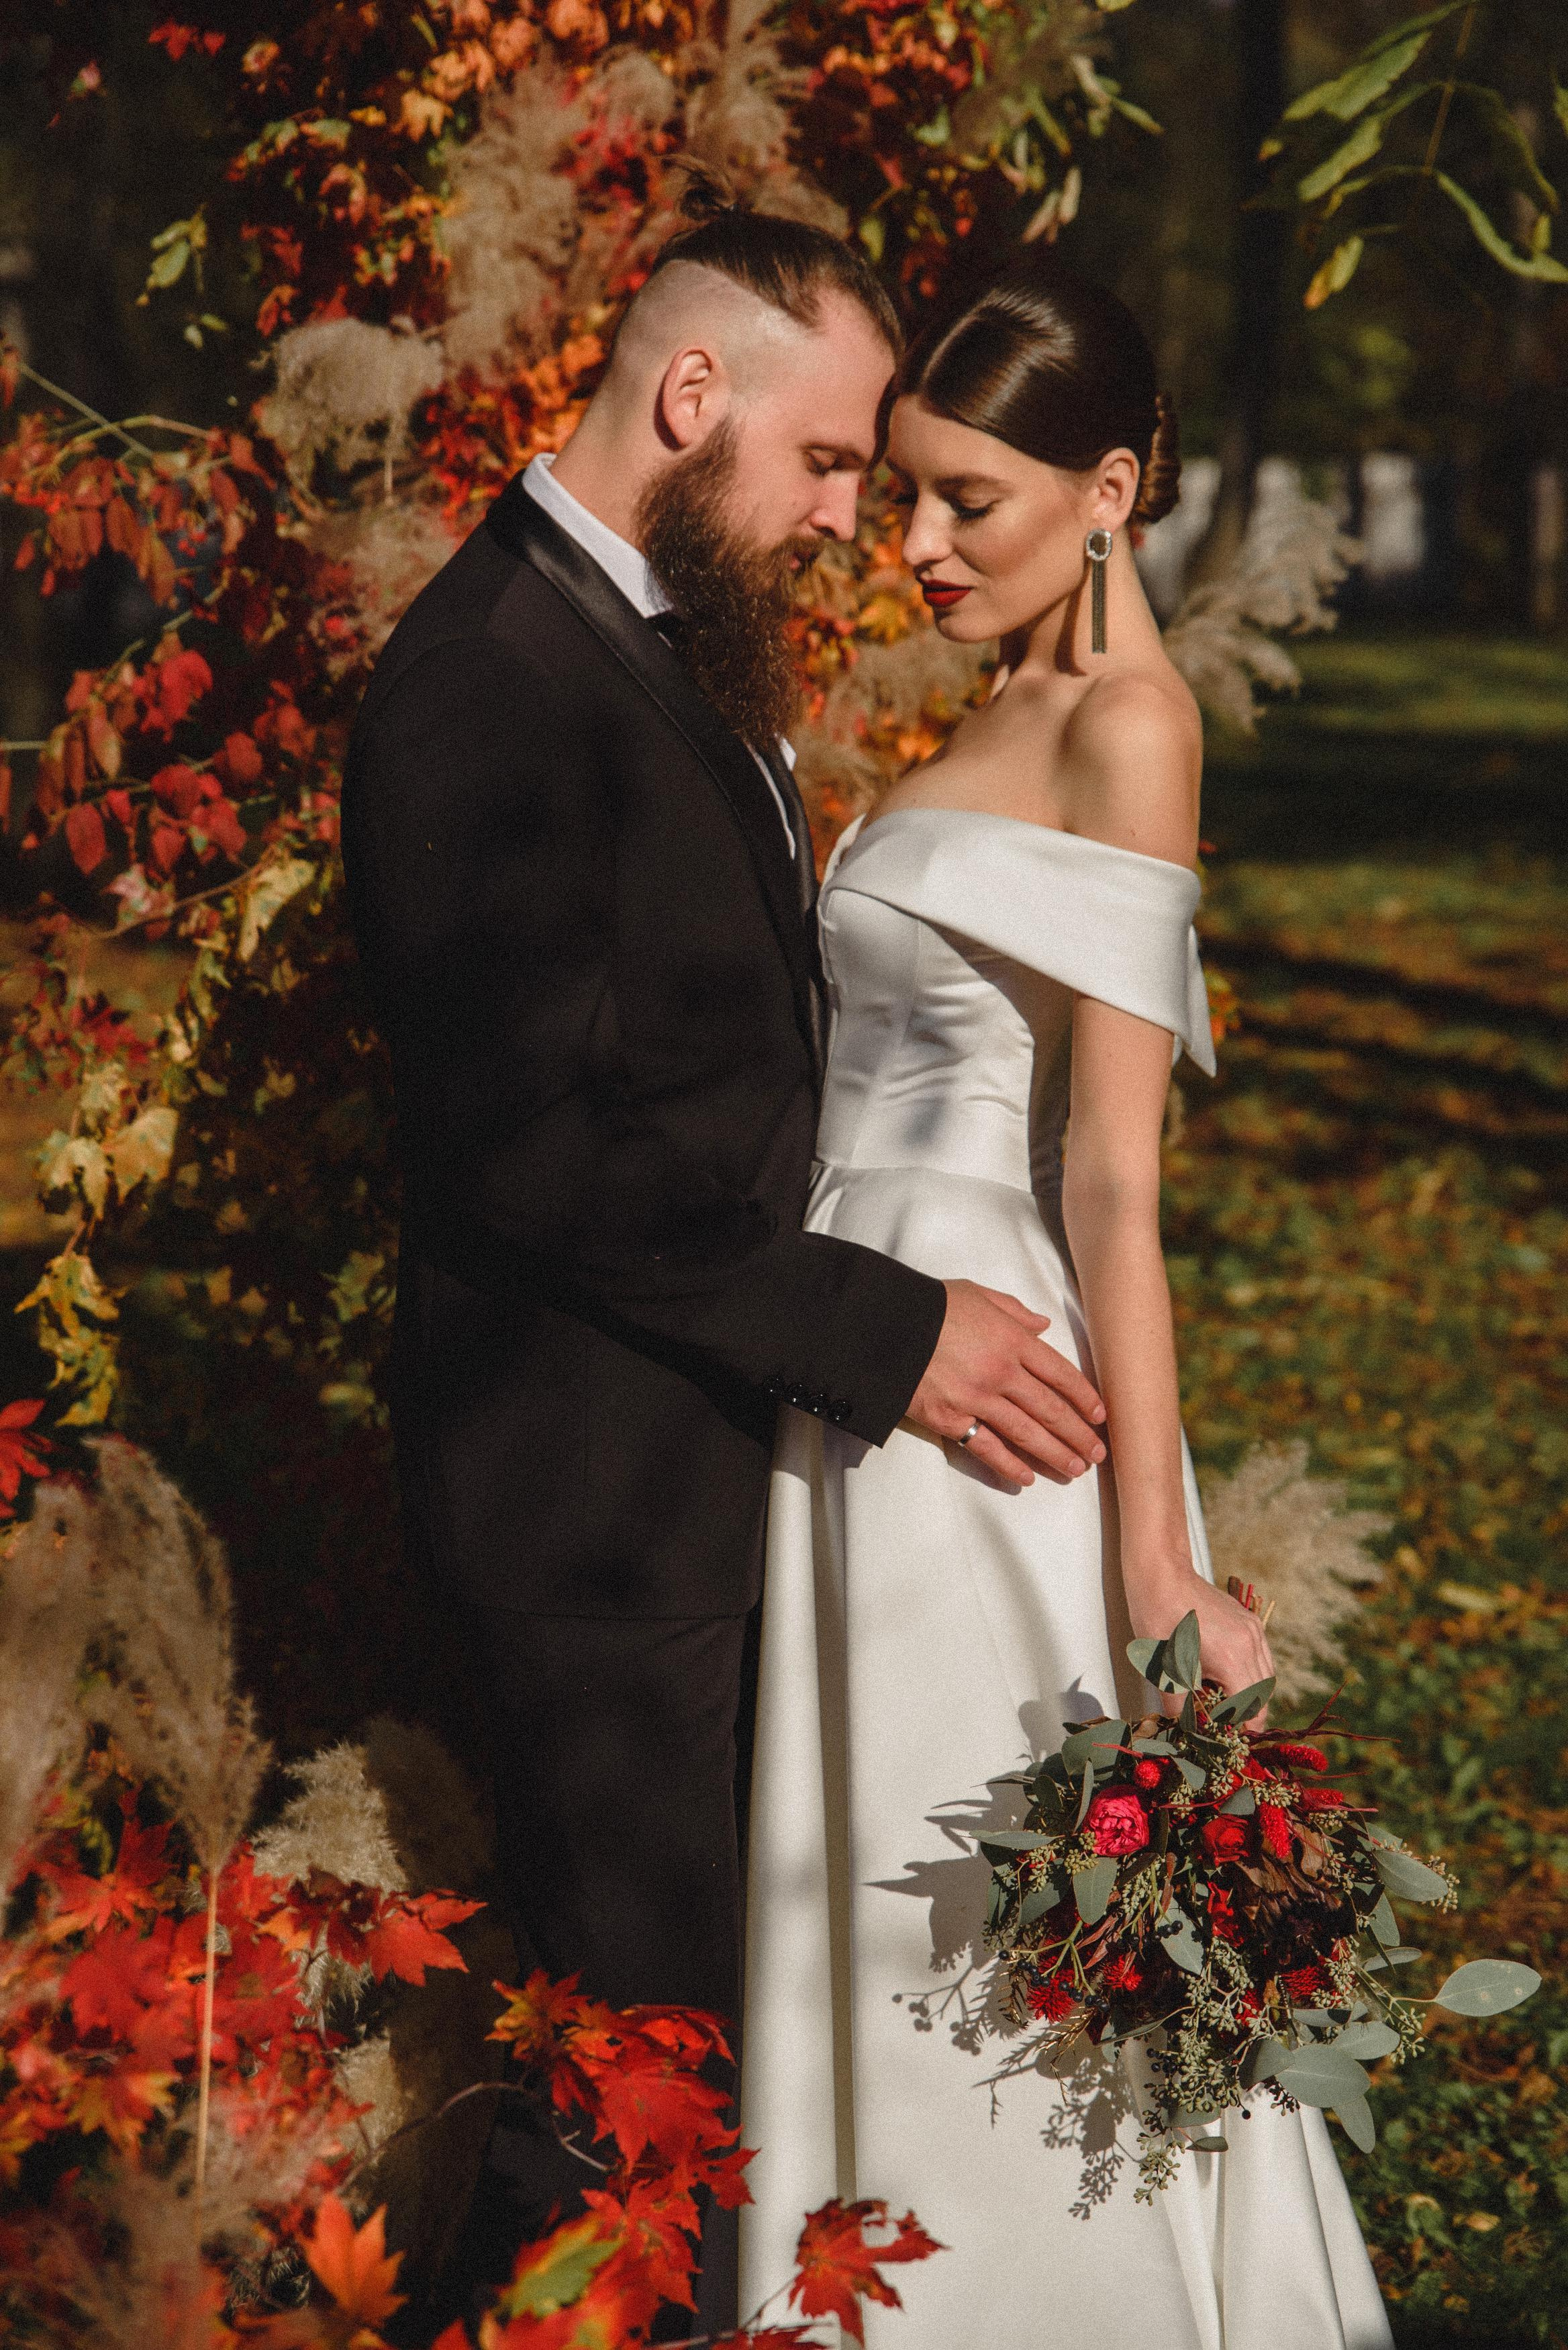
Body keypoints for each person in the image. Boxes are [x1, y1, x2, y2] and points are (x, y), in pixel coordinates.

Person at [340, 189, 1109, 2329]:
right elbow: (543, 1158)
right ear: (693, 395)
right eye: (832, 459)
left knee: (672, 2066)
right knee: (631, 2095)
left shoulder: (652, 645)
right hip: (592, 1518)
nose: (852, 515)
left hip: (694, 1472)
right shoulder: (484, 685)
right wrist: (890, 1330)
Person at [739, 254, 1393, 2347]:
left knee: (986, 1950)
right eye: (910, 493)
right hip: (850, 1354)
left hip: (981, 1400)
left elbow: (1114, 1165)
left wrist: (1153, 1562)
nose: (916, 544)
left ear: (1111, 488)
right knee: (864, 1912)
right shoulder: (993, 703)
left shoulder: (1130, 719)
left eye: (972, 504)